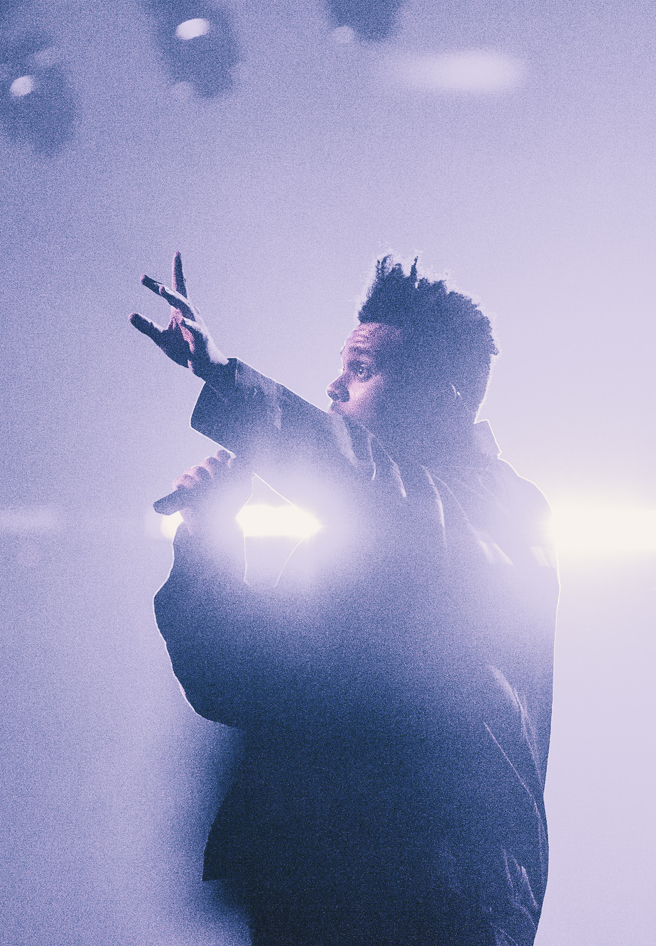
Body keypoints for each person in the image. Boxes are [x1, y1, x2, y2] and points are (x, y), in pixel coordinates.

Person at [132, 254, 558, 946]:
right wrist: (209, 535)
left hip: (440, 901)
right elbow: (236, 681)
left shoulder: (496, 511)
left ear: (441, 395)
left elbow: (376, 487)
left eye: (361, 369)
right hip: (320, 899)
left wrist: (226, 378)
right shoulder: (358, 531)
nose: (334, 386)